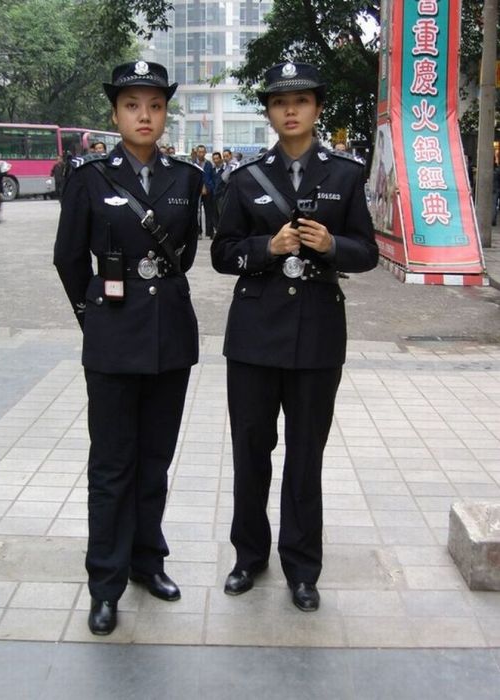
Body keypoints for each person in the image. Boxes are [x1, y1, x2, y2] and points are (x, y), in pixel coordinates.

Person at [211, 62, 378, 612]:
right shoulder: (246, 177)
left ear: (317, 108)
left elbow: (368, 253)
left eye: (301, 100)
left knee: (306, 457)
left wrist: (331, 245)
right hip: (254, 337)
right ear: (268, 112)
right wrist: (268, 248)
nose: (291, 110)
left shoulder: (346, 175)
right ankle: (248, 556)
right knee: (250, 453)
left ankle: (303, 568)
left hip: (317, 337)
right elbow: (222, 253)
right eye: (280, 102)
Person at [54, 60, 203, 635]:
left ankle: (147, 562)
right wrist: (92, 318)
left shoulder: (186, 178)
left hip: (170, 339)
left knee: (154, 462)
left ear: (165, 114)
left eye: (155, 106)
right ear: (115, 114)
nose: (145, 116)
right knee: (112, 466)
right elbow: (69, 258)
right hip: (112, 340)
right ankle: (106, 582)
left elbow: (184, 255)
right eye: (133, 105)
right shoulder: (90, 177)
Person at [196, 144, 215, 238]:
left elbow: (212, 177)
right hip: (196, 191)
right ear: (197, 152)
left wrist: (208, 187)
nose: (201, 154)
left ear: (205, 153)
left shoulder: (208, 164)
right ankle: (198, 232)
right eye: (199, 152)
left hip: (208, 191)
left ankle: (209, 232)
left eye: (203, 152)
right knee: (197, 212)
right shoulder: (193, 164)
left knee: (209, 211)